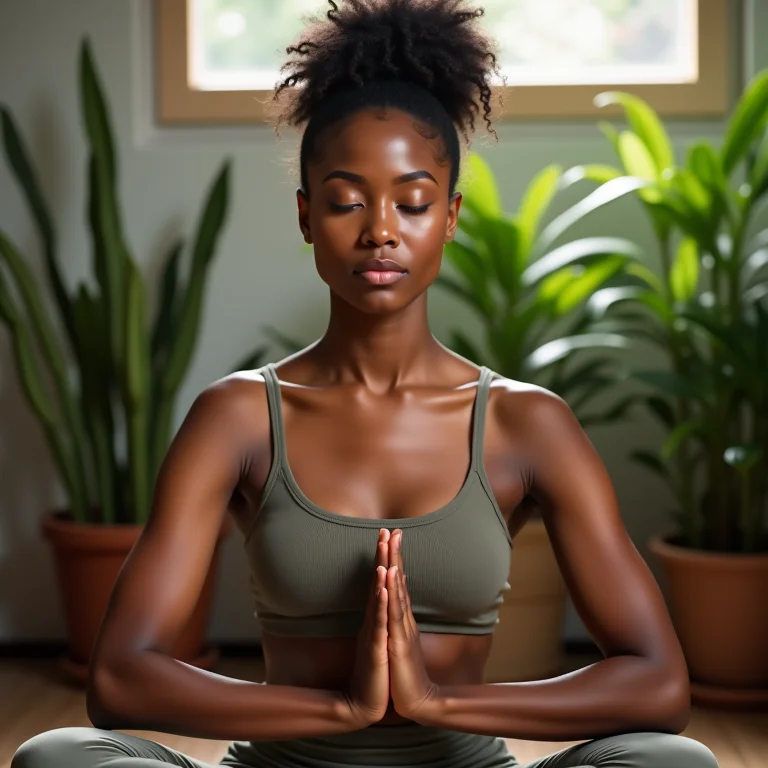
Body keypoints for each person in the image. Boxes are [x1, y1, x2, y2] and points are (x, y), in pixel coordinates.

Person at [12, 1, 721, 767]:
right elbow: (120, 676)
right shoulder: (240, 416)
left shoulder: (525, 424)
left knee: (671, 762)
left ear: (449, 218)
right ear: (306, 216)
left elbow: (658, 684)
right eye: (347, 201)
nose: (380, 228)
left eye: (412, 202)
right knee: (60, 755)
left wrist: (439, 702)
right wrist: (339, 708)